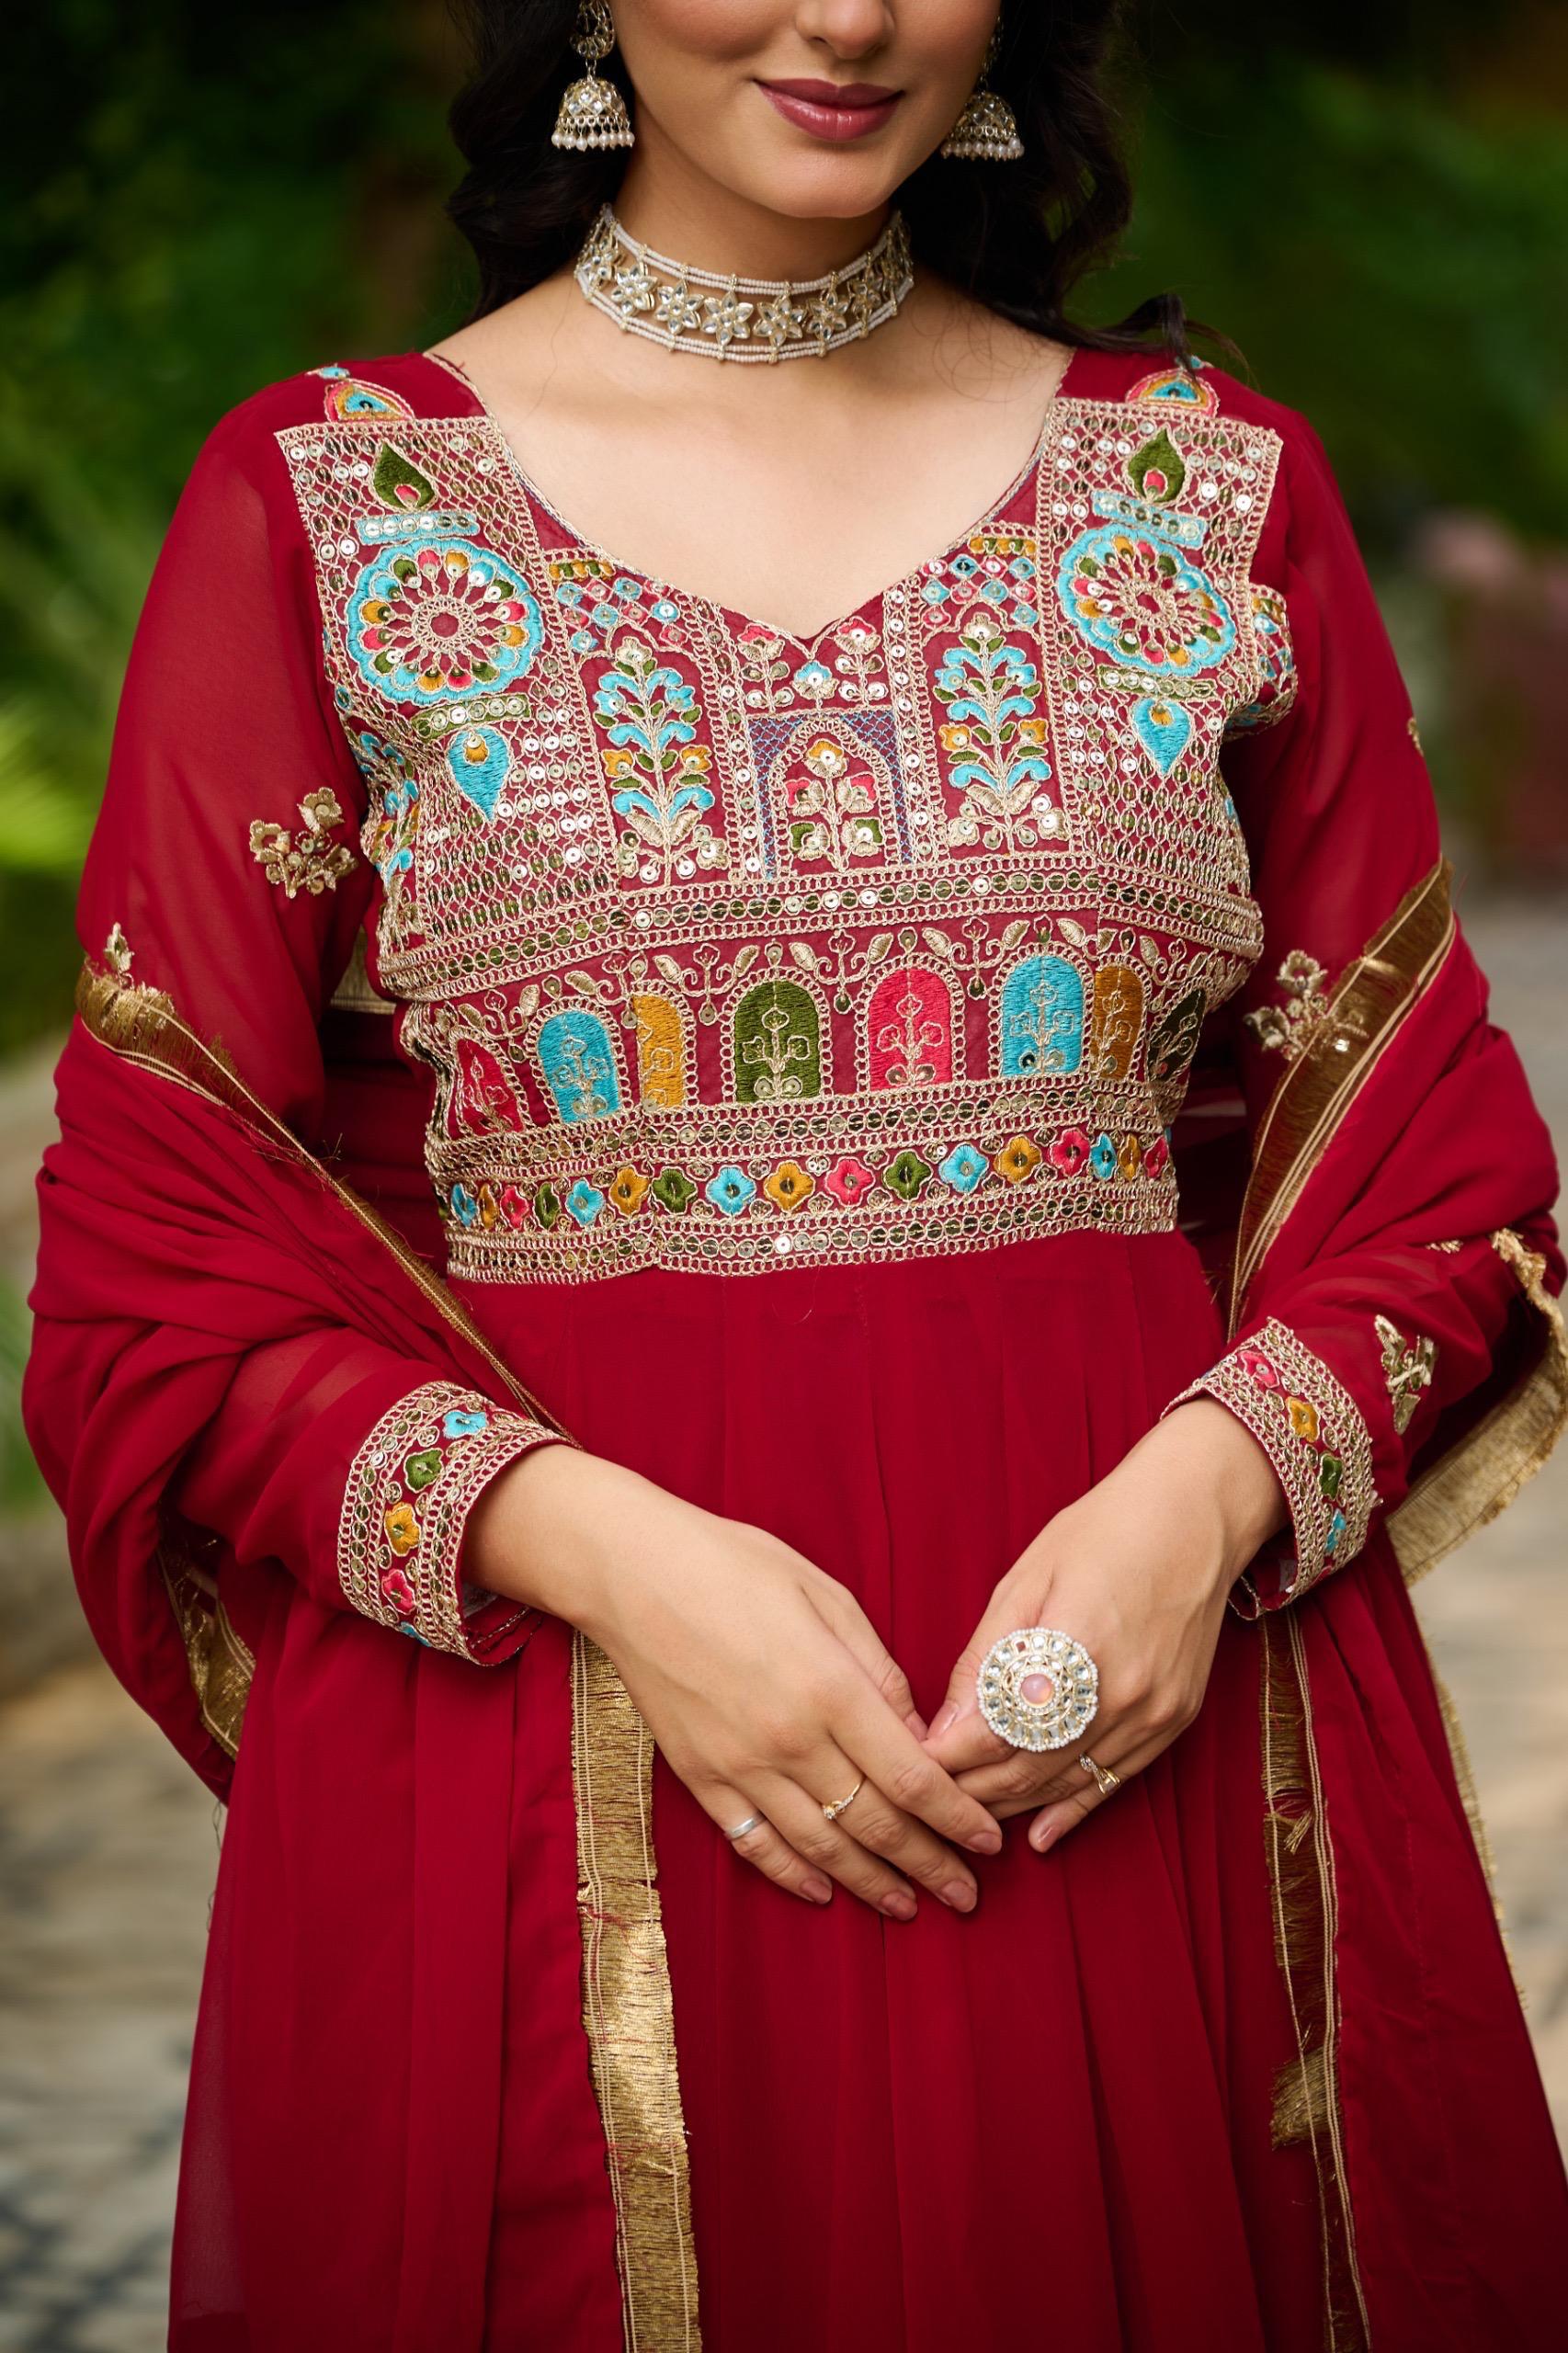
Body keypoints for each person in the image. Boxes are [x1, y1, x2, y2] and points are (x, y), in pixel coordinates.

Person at [23, 3, 1568, 2346]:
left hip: (1109, 1750)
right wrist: (611, 1554)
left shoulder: (1206, 492)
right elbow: (162, 1273)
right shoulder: (336, 505)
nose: (842, 16)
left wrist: (1199, 1509)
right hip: (560, 1757)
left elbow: (1440, 1183)